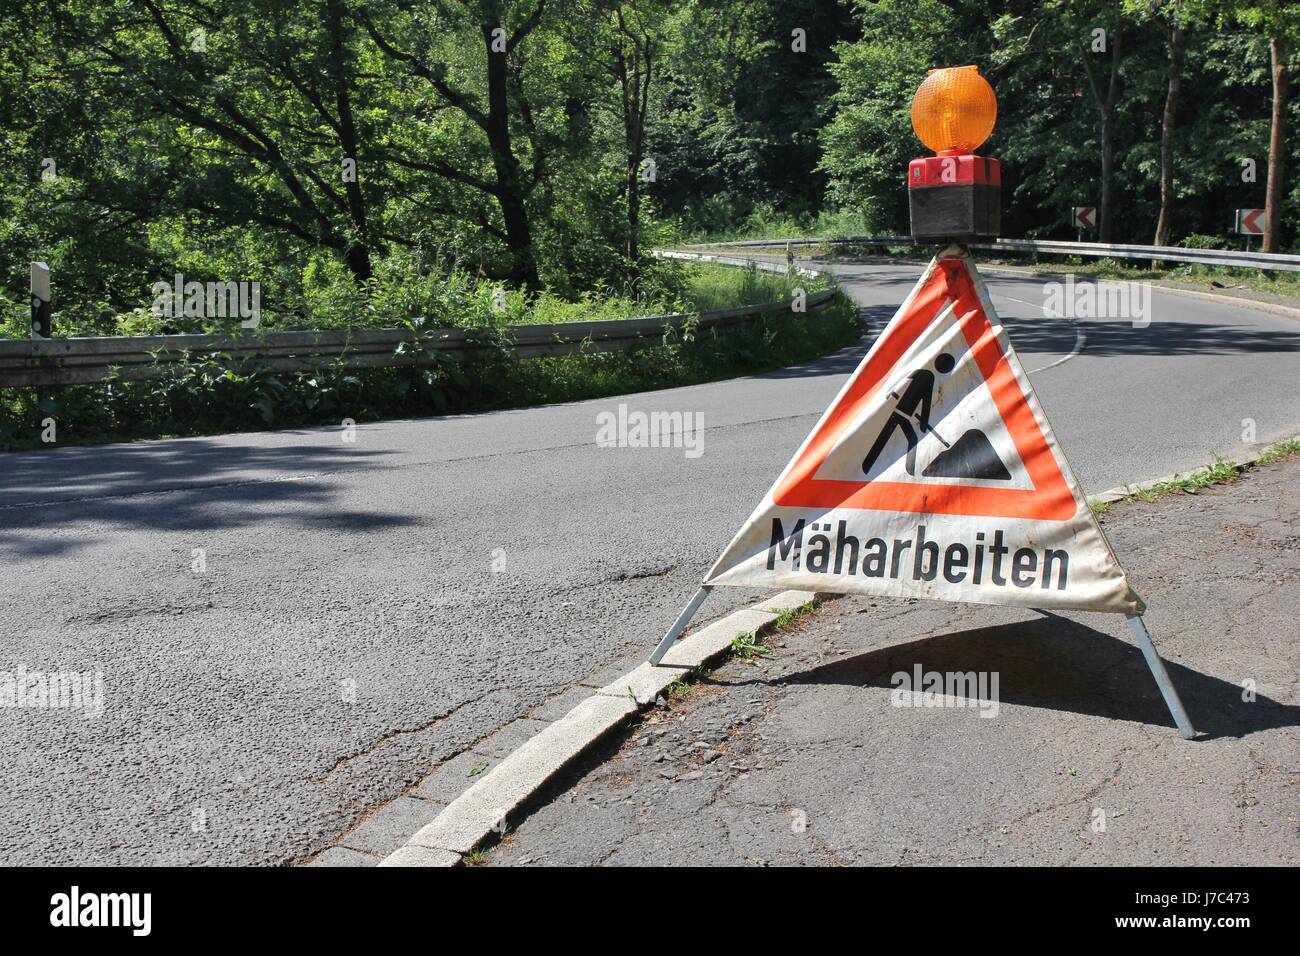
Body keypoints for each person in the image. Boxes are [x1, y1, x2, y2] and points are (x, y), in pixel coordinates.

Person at [862, 352, 955, 476]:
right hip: (901, 414)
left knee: (895, 438)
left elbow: (903, 381)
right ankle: (906, 471)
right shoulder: (929, 377)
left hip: (900, 413)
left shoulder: (921, 372)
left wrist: (891, 393)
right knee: (902, 439)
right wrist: (924, 423)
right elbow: (926, 402)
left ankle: (868, 466)